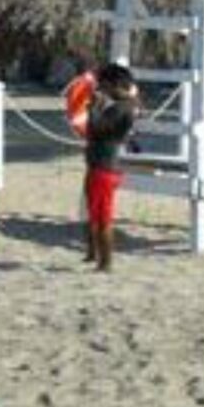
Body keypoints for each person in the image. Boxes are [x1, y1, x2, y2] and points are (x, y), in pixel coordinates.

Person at [83, 62, 139, 272]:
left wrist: (94, 109)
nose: (101, 89)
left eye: (103, 85)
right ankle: (93, 253)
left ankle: (105, 262)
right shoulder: (129, 104)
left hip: (104, 167)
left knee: (102, 217)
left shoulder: (120, 109)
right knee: (95, 212)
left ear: (113, 85)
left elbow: (97, 129)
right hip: (104, 165)